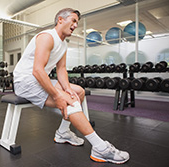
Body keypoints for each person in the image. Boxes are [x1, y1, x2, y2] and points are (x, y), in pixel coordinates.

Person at [13, 8, 129, 164]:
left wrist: (66, 88)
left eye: (77, 22)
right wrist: (57, 95)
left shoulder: (63, 44)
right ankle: (100, 147)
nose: (75, 25)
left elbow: (61, 69)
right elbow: (37, 70)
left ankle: (63, 133)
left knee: (78, 92)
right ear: (60, 20)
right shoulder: (47, 37)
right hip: (25, 82)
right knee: (69, 100)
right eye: (73, 21)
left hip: (38, 79)